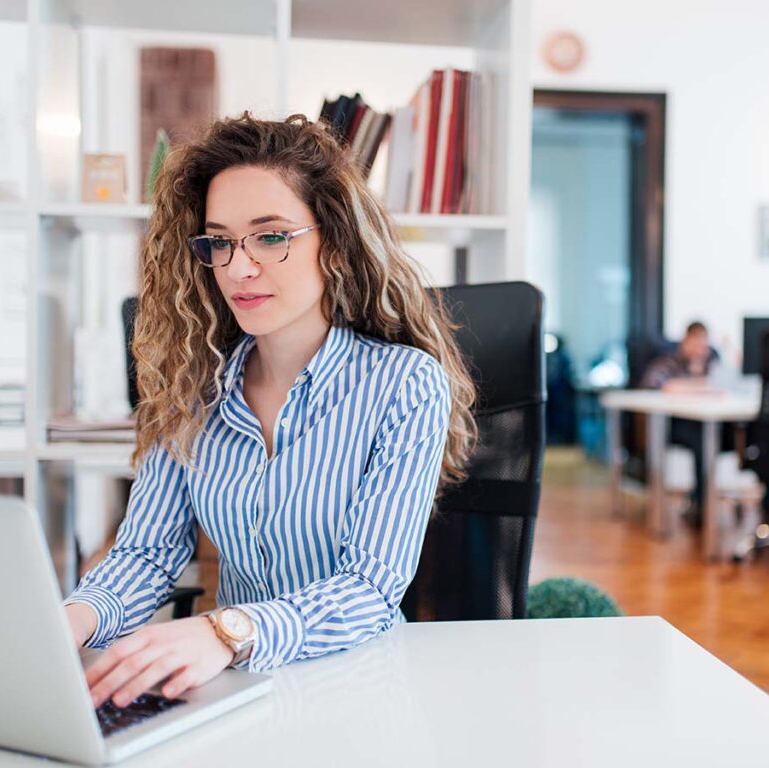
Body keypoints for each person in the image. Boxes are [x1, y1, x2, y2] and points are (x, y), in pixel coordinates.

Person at [63, 113, 477, 710]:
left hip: (360, 694)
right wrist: (69, 621)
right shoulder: (193, 389)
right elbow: (145, 555)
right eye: (220, 241)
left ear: (332, 244)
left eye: (271, 236)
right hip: (236, 694)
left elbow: (370, 589)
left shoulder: (404, 385)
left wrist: (225, 632)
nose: (238, 268)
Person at [640, 321, 724, 522]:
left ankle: (702, 502)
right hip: (676, 425)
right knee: (702, 443)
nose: (699, 348)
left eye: (702, 343)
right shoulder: (669, 362)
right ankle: (702, 507)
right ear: (685, 341)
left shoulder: (713, 362)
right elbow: (656, 384)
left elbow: (726, 384)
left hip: (709, 423)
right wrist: (698, 383)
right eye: (694, 342)